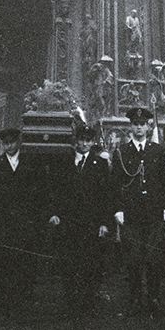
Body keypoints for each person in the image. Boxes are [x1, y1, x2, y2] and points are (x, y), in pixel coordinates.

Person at [111, 107, 165, 317]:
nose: (139, 127)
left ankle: (154, 296)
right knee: (134, 258)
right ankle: (136, 297)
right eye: (135, 124)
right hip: (132, 213)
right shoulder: (121, 152)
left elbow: (164, 182)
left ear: (148, 126)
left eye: (142, 124)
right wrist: (118, 208)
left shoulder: (157, 151)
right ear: (131, 127)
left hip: (153, 212)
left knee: (154, 257)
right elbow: (116, 183)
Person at [47, 123, 112, 315]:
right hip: (68, 222)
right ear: (76, 141)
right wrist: (54, 212)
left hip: (91, 223)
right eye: (81, 139)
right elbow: (55, 191)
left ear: (93, 142)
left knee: (91, 263)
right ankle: (71, 302)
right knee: (69, 262)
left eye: (88, 140)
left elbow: (105, 196)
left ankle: (89, 302)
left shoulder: (99, 164)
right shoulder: (64, 162)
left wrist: (104, 222)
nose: (84, 143)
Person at [0, 127, 44, 313]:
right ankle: (3, 302)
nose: (9, 145)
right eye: (5, 143)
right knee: (3, 261)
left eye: (12, 142)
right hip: (2, 222)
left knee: (23, 261)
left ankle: (22, 301)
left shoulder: (31, 163)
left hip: (25, 221)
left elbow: (37, 194)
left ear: (18, 142)